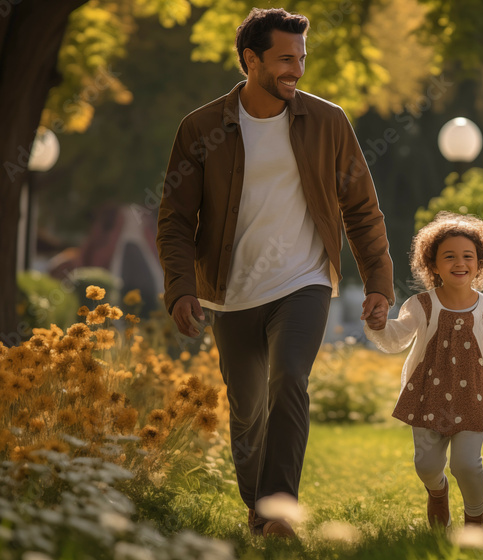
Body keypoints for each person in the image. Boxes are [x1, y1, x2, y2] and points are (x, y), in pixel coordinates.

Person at [155, 8, 394, 538]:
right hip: (230, 291)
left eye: (301, 59)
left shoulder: (327, 122)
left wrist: (378, 282)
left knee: (289, 377)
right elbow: (175, 220)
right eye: (285, 59)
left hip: (303, 281)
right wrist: (181, 288)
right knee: (247, 411)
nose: (297, 70)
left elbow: (361, 208)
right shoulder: (201, 128)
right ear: (251, 60)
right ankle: (258, 509)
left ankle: (279, 511)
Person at [364, 212, 483, 529]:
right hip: (427, 395)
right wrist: (379, 325)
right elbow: (397, 337)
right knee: (427, 464)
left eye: (468, 256)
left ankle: (475, 520)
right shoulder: (422, 305)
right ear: (433, 265)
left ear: (480, 263)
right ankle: (437, 490)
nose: (460, 263)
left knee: (467, 465)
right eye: (449, 256)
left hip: (474, 397)